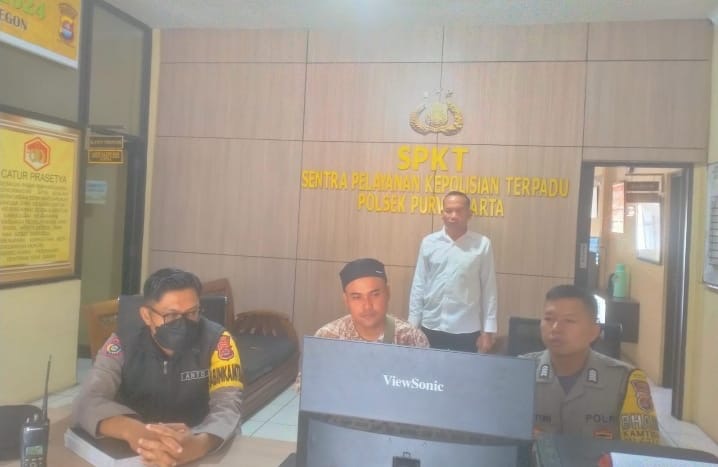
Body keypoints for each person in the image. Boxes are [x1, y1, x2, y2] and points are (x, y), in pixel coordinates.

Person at [72, 268, 243, 466]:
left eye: (192, 312)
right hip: (137, 451)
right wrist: (132, 431)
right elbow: (87, 400)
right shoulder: (121, 343)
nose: (183, 323)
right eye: (171, 315)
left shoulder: (219, 342)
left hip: (202, 447)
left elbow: (228, 407)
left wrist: (199, 444)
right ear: (147, 315)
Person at [524, 284, 659, 444]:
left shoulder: (625, 380)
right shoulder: (518, 372)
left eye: (569, 320)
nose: (555, 328)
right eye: (548, 319)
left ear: (594, 332)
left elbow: (642, 452)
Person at [408, 191, 498, 353]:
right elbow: (419, 285)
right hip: (431, 325)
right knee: (429, 369)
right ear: (442, 213)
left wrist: (488, 331)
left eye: (459, 211)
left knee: (463, 370)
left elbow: (489, 289)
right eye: (449, 211)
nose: (453, 216)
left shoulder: (482, 244)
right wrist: (413, 325)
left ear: (469, 214)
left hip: (466, 329)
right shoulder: (429, 243)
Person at [315, 257, 429, 347]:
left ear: (388, 293)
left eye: (375, 295)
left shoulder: (412, 339)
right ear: (346, 300)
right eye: (357, 297)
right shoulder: (327, 337)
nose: (367, 306)